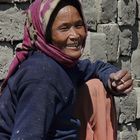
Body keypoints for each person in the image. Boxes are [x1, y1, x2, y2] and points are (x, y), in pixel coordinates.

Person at [0, 0, 133, 140]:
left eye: (78, 25)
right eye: (64, 28)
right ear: (45, 33)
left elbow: (97, 68)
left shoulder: (63, 65)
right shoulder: (42, 77)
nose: (75, 35)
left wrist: (114, 80)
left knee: (96, 87)